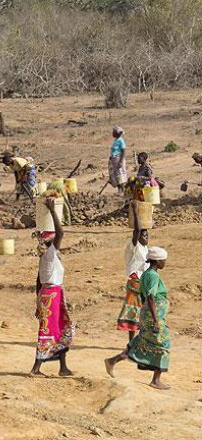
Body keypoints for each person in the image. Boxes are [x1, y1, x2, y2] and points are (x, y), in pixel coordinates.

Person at [105, 246, 171, 390]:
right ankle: (156, 380)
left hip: (148, 314)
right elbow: (151, 297)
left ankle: (112, 361)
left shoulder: (147, 274)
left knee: (140, 342)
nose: (165, 263)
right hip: (152, 315)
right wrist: (155, 320)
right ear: (157, 261)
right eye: (164, 260)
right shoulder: (153, 275)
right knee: (163, 343)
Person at [30, 198, 73, 376]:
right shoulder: (49, 253)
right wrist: (53, 210)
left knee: (60, 328)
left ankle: (63, 367)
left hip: (49, 295)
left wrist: (38, 302)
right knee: (50, 330)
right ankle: (36, 368)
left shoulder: (45, 258)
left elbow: (38, 281)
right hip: (52, 295)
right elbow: (61, 233)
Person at [117, 201, 149, 341]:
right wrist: (135, 211)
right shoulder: (133, 245)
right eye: (144, 235)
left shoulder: (145, 248)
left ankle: (140, 339)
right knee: (133, 311)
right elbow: (136, 230)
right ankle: (131, 342)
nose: (146, 238)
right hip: (135, 282)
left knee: (142, 312)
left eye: (147, 235)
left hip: (143, 282)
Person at [109, 126, 128, 192]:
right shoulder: (116, 140)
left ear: (117, 133)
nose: (112, 133)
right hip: (115, 160)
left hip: (118, 159)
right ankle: (119, 191)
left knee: (121, 176)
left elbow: (124, 151)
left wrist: (121, 162)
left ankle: (122, 191)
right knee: (117, 176)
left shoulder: (121, 140)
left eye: (113, 132)